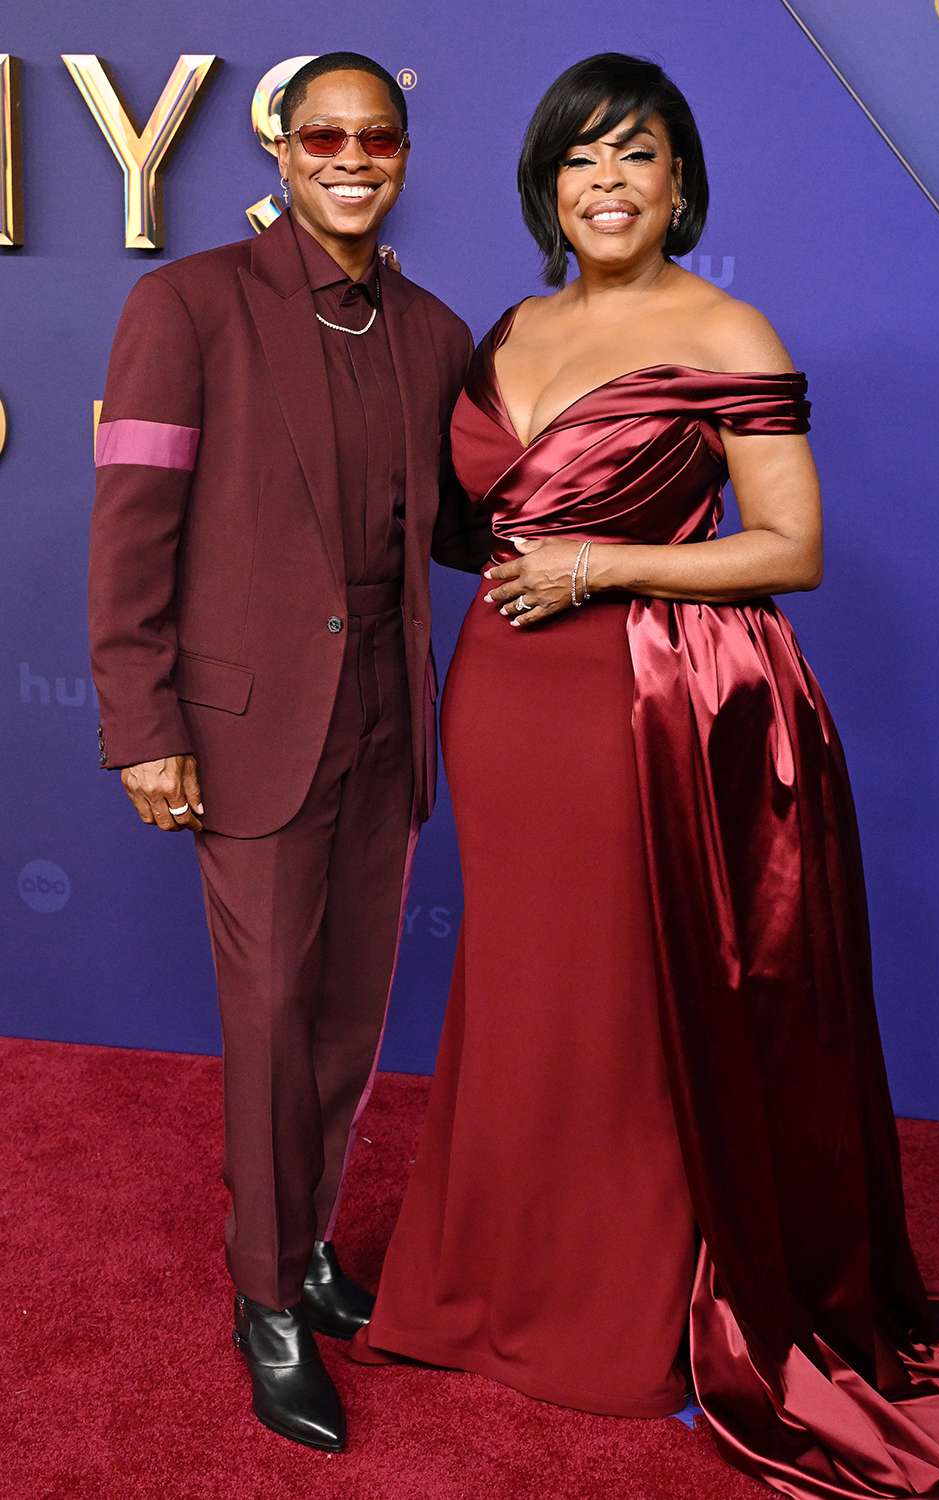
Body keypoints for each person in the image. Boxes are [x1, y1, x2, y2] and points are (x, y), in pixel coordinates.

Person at [351, 53, 939, 1498]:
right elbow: (460, 512)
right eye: (581, 159)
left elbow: (789, 546)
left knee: (634, 994)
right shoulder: (510, 324)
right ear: (547, 185)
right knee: (523, 980)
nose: (608, 183)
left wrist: (603, 562)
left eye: (637, 157)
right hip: (503, 694)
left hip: (647, 695)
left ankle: (623, 1312)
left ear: (682, 183)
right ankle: (481, 1287)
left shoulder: (728, 330)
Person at [88, 51, 490, 1453]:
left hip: (387, 722)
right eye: (325, 133)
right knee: (266, 1028)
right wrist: (142, 727)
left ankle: (308, 1245)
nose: (352, 156)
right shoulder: (184, 304)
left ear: (404, 154)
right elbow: (132, 529)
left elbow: (463, 527)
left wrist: (613, 481)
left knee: (343, 1019)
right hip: (247, 733)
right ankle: (265, 1295)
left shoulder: (437, 331)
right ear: (280, 148)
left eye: (377, 136)